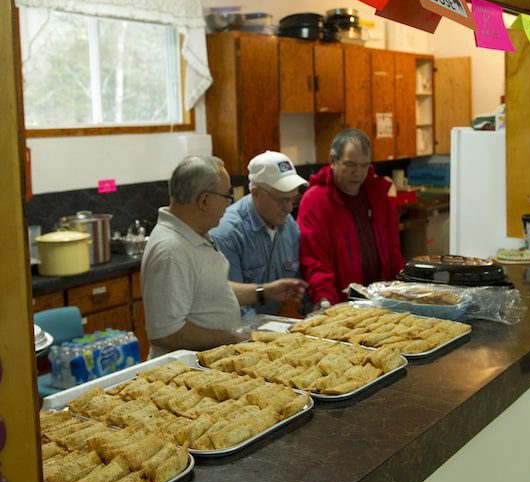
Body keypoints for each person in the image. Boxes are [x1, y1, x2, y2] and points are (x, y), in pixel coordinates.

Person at [141, 155, 306, 357]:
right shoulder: (171, 250)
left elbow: (210, 291)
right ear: (204, 200)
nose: (228, 204)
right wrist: (236, 338)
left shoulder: (195, 233)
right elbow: (166, 333)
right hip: (186, 367)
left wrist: (264, 291)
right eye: (226, 196)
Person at [297, 128, 404, 307]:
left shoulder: (379, 197)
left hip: (382, 302)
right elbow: (315, 261)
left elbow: (393, 252)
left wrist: (401, 289)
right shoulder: (315, 201)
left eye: (364, 165)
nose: (358, 173)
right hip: (339, 304)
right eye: (350, 165)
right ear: (333, 161)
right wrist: (324, 300)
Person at [211, 150, 309, 317]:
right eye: (282, 200)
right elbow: (231, 305)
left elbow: (300, 284)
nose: (288, 208)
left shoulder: (289, 226)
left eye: (293, 199)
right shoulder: (228, 234)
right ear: (256, 193)